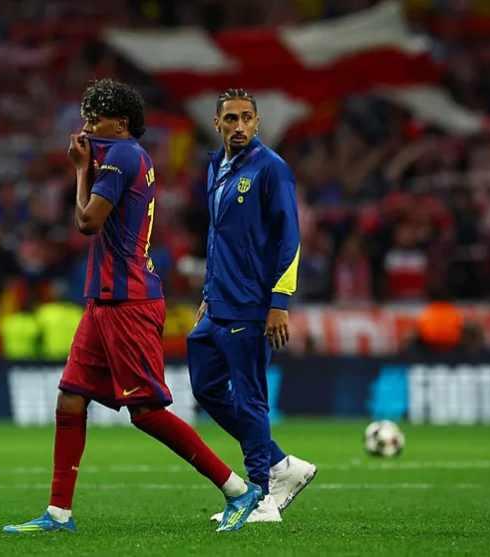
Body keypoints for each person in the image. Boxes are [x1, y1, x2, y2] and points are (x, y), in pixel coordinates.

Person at [3, 79, 261, 535]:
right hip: (105, 299)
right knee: (71, 397)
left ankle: (238, 490)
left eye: (95, 119)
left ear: (120, 123)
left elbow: (87, 221)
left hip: (129, 301)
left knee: (146, 411)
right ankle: (58, 514)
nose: (86, 128)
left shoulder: (122, 156)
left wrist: (79, 171)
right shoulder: (124, 156)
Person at [187, 89, 317, 524]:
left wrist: (279, 302)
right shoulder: (215, 166)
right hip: (218, 302)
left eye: (246, 118)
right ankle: (280, 463)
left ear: (257, 123)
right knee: (206, 387)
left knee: (249, 399)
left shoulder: (272, 168)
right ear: (217, 123)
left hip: (252, 305)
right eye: (231, 119)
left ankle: (261, 497)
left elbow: (290, 238)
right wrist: (209, 291)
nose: (239, 126)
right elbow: (218, 237)